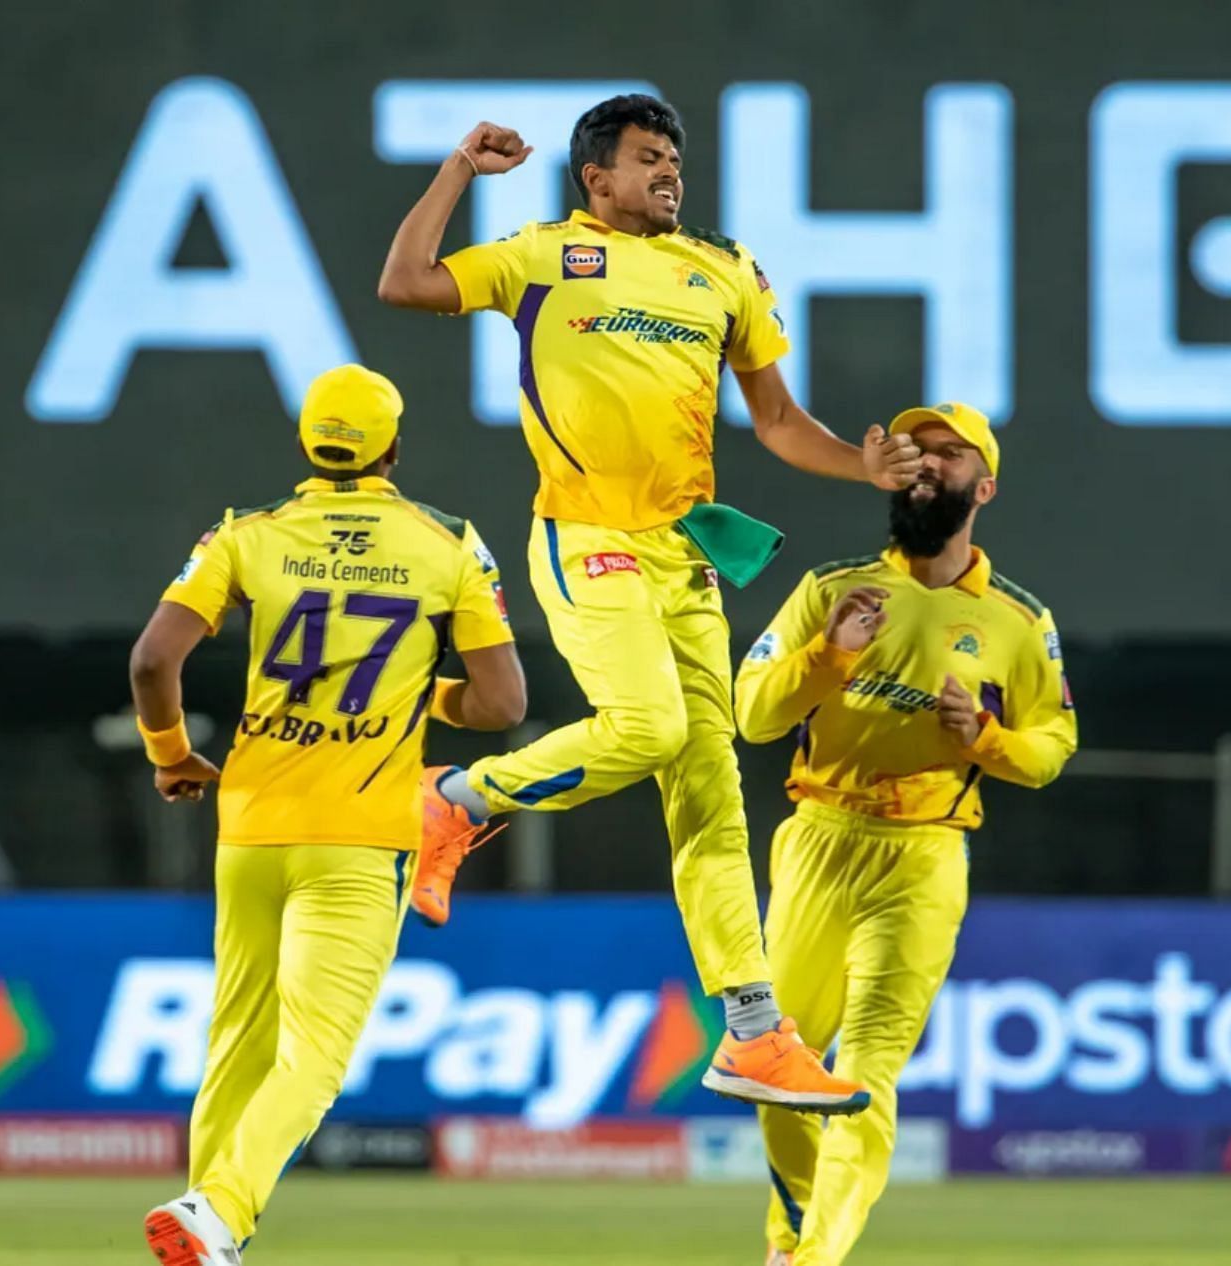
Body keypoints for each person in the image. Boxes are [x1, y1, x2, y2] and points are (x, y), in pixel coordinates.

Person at [377, 92, 918, 1113]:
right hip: (586, 538)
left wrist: (866, 470)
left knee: (711, 790)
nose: (670, 172)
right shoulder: (541, 255)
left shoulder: (722, 272)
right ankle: (451, 803)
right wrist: (457, 169)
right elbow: (404, 281)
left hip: (686, 561)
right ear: (597, 178)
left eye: (675, 157)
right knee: (650, 727)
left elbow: (778, 422)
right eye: (647, 158)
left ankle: (754, 1035)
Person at [128, 365, 525, 1266]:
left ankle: (208, 1228)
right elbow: (502, 704)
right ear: (393, 446)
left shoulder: (248, 535)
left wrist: (170, 755)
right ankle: (218, 1214)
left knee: (235, 1042)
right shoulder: (449, 544)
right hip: (360, 834)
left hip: (252, 823)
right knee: (314, 1056)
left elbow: (154, 662)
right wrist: (416, 699)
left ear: (308, 443)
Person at [735, 403, 1078, 1266]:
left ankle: (810, 1260)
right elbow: (752, 715)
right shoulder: (831, 589)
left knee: (866, 1072)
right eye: (915, 451)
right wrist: (829, 656)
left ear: (984, 487)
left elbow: (1051, 750)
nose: (926, 464)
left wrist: (987, 742)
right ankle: (793, 1235)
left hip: (924, 853)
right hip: (818, 837)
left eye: (949, 454)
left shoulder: (1017, 621)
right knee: (776, 1063)